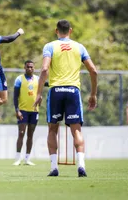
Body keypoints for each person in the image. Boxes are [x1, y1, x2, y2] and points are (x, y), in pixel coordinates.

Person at [34, 19, 97, 177]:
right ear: (71, 30)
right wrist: (93, 95)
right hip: (73, 91)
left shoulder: (50, 46)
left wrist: (39, 93)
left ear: (56, 31)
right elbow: (94, 71)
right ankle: (81, 166)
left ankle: (54, 167)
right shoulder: (80, 47)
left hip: (56, 90)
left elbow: (44, 69)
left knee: (52, 129)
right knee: (76, 130)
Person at [13, 60, 39, 166]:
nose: (30, 69)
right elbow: (15, 96)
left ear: (34, 68)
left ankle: (27, 159)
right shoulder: (19, 79)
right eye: (28, 67)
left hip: (34, 111)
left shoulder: (38, 79)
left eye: (32, 67)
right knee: (21, 133)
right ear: (24, 67)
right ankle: (17, 158)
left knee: (30, 135)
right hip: (23, 110)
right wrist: (17, 110)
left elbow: (44, 87)